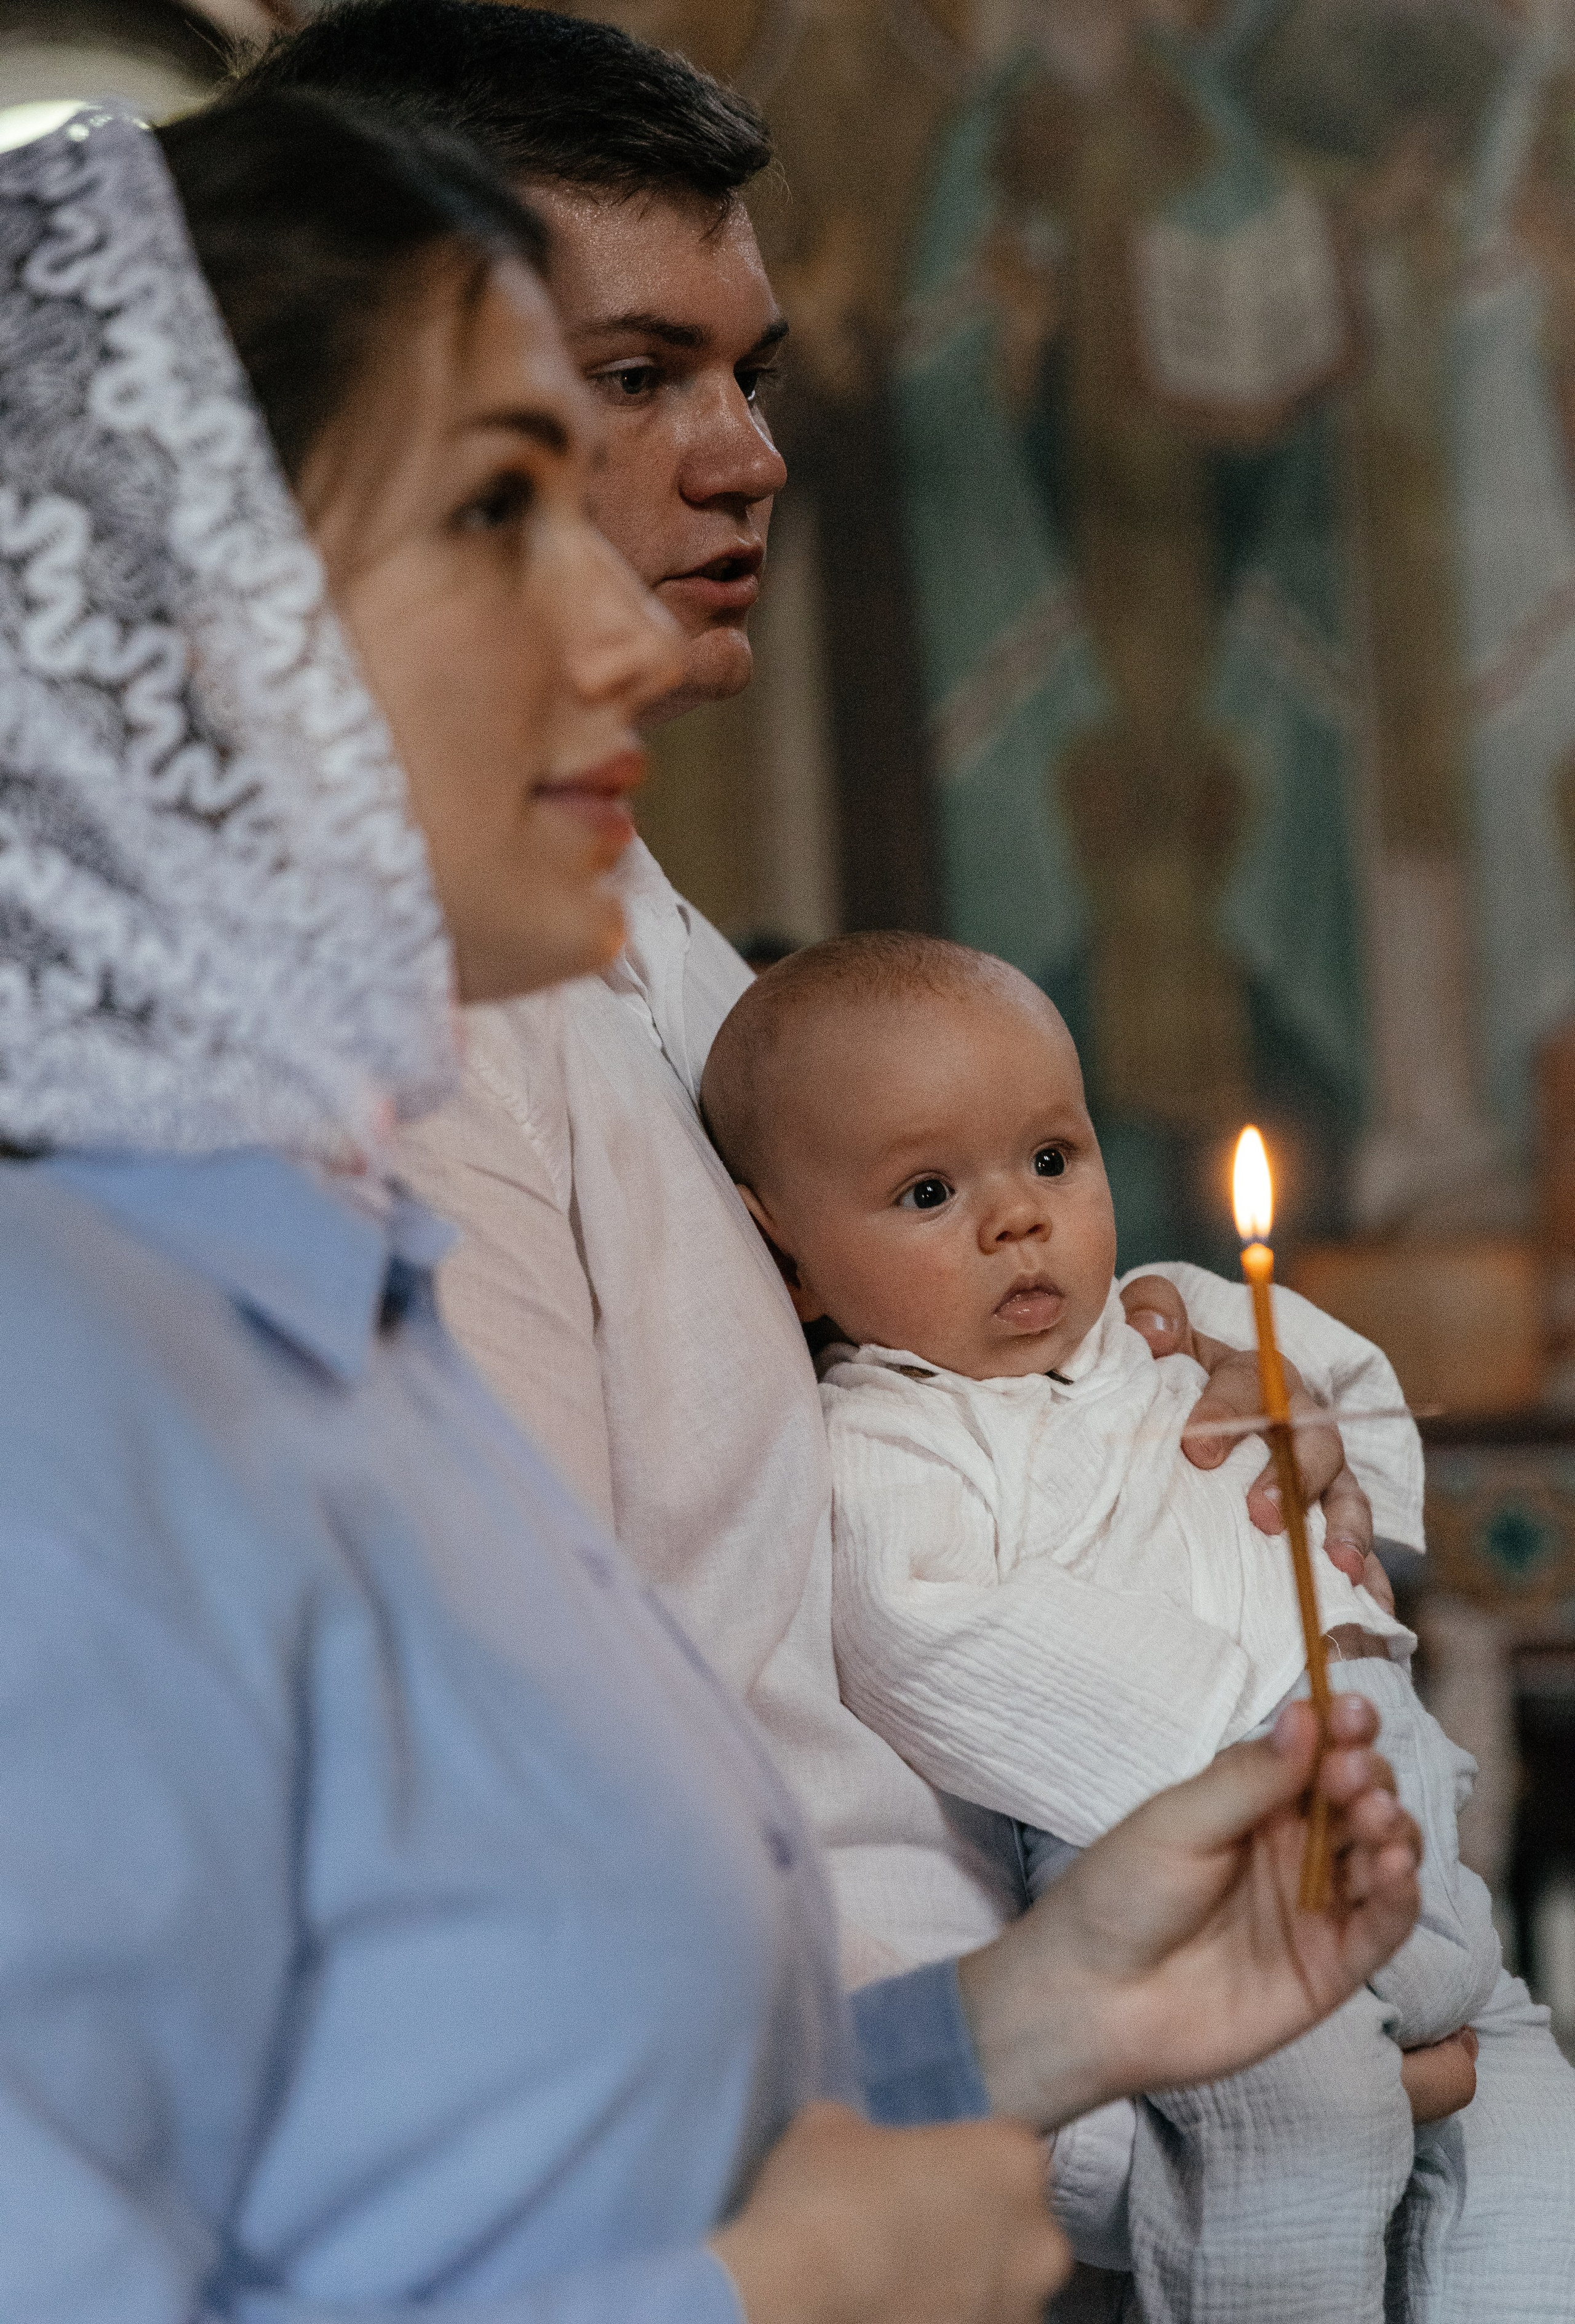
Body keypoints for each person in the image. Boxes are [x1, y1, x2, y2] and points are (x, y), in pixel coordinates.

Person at [0, 88, 1425, 2324]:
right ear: (179, 621)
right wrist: (777, 2291)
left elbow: (492, 2122)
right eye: (501, 501)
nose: (622, 616)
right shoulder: (59, 1411)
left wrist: (1045, 2014)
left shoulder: (345, 1304)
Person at [702, 928, 1575, 2320]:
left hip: (1404, 1836)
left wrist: (1306, 1435)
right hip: (1198, 1854)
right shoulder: (890, 1438)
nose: (1016, 1219)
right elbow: (935, 1637)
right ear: (789, 1257)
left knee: (1534, 2158)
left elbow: (1342, 1387)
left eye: (1049, 1157)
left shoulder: (1164, 1319)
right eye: (928, 1190)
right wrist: (1244, 1733)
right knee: (1301, 2136)